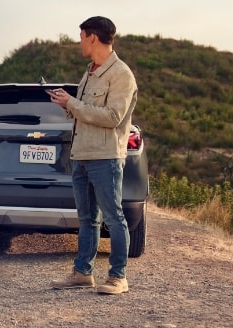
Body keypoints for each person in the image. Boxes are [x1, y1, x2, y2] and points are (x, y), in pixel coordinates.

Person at [48, 16, 138, 295]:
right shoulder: (89, 72)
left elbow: (113, 117)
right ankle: (82, 274)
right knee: (87, 218)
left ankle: (118, 278)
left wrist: (73, 103)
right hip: (82, 154)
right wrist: (66, 104)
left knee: (114, 218)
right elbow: (85, 111)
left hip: (106, 157)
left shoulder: (121, 74)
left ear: (93, 38)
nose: (79, 42)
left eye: (82, 36)